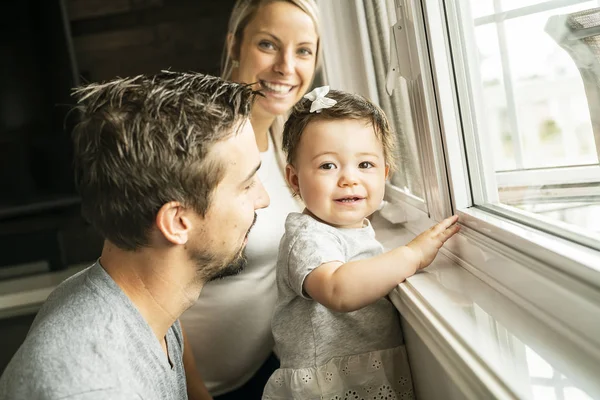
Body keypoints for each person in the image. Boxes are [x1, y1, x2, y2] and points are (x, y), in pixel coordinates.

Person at [0, 71, 270, 400]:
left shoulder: (144, 302)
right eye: (246, 185)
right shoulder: (94, 389)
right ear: (177, 222)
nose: (263, 199)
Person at [261, 87, 460, 399]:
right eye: (328, 165)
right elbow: (338, 290)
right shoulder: (308, 236)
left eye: (365, 165)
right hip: (327, 386)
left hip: (362, 375)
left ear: (385, 174)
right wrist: (411, 255)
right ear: (295, 179)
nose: (348, 179)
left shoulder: (358, 229)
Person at [180, 0, 321, 398]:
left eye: (303, 50)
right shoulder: (201, 145)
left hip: (264, 373)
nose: (286, 67)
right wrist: (195, 394)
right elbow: (156, 282)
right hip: (195, 388)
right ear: (234, 46)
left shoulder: (282, 140)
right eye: (268, 45)